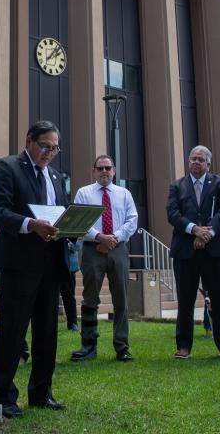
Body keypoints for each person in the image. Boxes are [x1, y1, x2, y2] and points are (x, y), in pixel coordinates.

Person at [0, 121, 69, 418]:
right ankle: (4, 396)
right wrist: (29, 225)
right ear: (29, 141)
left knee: (47, 331)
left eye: (55, 148)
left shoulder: (57, 176)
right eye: (45, 146)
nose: (49, 153)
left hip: (51, 261)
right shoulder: (8, 167)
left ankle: (41, 392)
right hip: (19, 262)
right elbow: (0, 211)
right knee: (13, 329)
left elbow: (61, 210)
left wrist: (70, 225)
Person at [167, 145, 220, 360]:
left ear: (208, 163)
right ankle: (183, 346)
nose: (196, 162)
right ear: (188, 162)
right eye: (193, 159)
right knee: (185, 300)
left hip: (215, 251)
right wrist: (194, 230)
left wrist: (208, 233)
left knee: (218, 298)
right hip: (186, 251)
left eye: (200, 159)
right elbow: (172, 213)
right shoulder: (177, 186)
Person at [71, 154, 138, 362]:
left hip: (118, 249)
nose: (104, 172)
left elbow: (132, 220)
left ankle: (122, 347)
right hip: (92, 249)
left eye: (107, 168)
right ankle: (88, 346)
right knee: (90, 298)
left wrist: (113, 238)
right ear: (94, 171)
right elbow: (78, 220)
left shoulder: (124, 194)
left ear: (114, 171)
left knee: (121, 299)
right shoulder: (84, 193)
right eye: (100, 168)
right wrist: (99, 237)